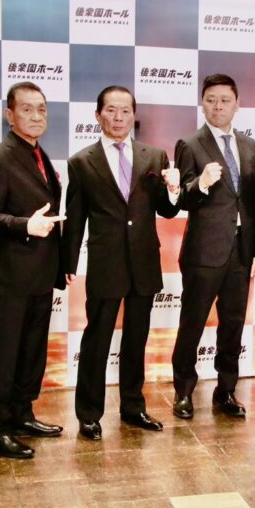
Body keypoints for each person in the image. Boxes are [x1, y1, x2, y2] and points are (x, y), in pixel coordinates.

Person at [64, 86, 181, 441]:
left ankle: (133, 407)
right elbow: (75, 217)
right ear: (98, 115)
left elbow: (167, 210)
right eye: (111, 110)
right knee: (97, 340)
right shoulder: (82, 162)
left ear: (134, 115)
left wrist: (173, 190)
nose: (118, 118)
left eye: (125, 111)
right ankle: (89, 414)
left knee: (136, 339)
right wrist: (67, 261)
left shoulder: (154, 156)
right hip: (106, 263)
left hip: (144, 262)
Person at [0, 82, 66, 459]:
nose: (36, 116)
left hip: (41, 272)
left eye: (41, 109)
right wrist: (23, 225)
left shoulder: (40, 154)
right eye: (27, 109)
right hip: (10, 274)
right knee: (7, 354)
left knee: (31, 352)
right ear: (9, 115)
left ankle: (22, 413)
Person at [170, 74, 255, 420]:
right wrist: (202, 185)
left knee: (233, 323)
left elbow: (252, 203)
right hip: (203, 252)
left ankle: (226, 391)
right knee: (192, 321)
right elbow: (181, 199)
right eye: (211, 100)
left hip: (241, 250)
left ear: (237, 104)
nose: (218, 106)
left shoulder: (248, 145)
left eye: (225, 100)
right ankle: (183, 391)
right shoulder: (189, 144)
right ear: (202, 103)